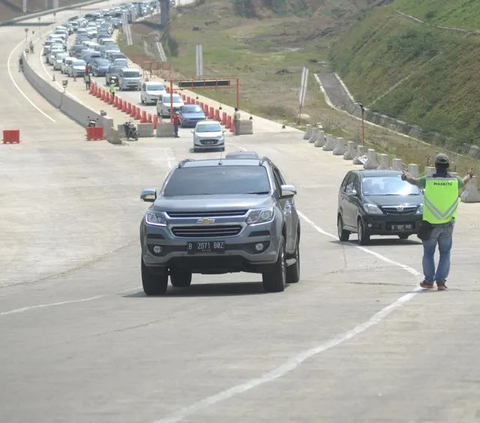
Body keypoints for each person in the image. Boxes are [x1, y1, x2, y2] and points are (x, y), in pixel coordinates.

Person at [402, 153, 474, 290]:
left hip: (430, 225)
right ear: (448, 166)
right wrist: (469, 175)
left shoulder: (428, 181)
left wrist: (405, 177)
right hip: (447, 224)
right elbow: (463, 181)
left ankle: (429, 281)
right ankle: (441, 283)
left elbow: (414, 181)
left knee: (429, 253)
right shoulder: (455, 181)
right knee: (445, 253)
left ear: (435, 166)